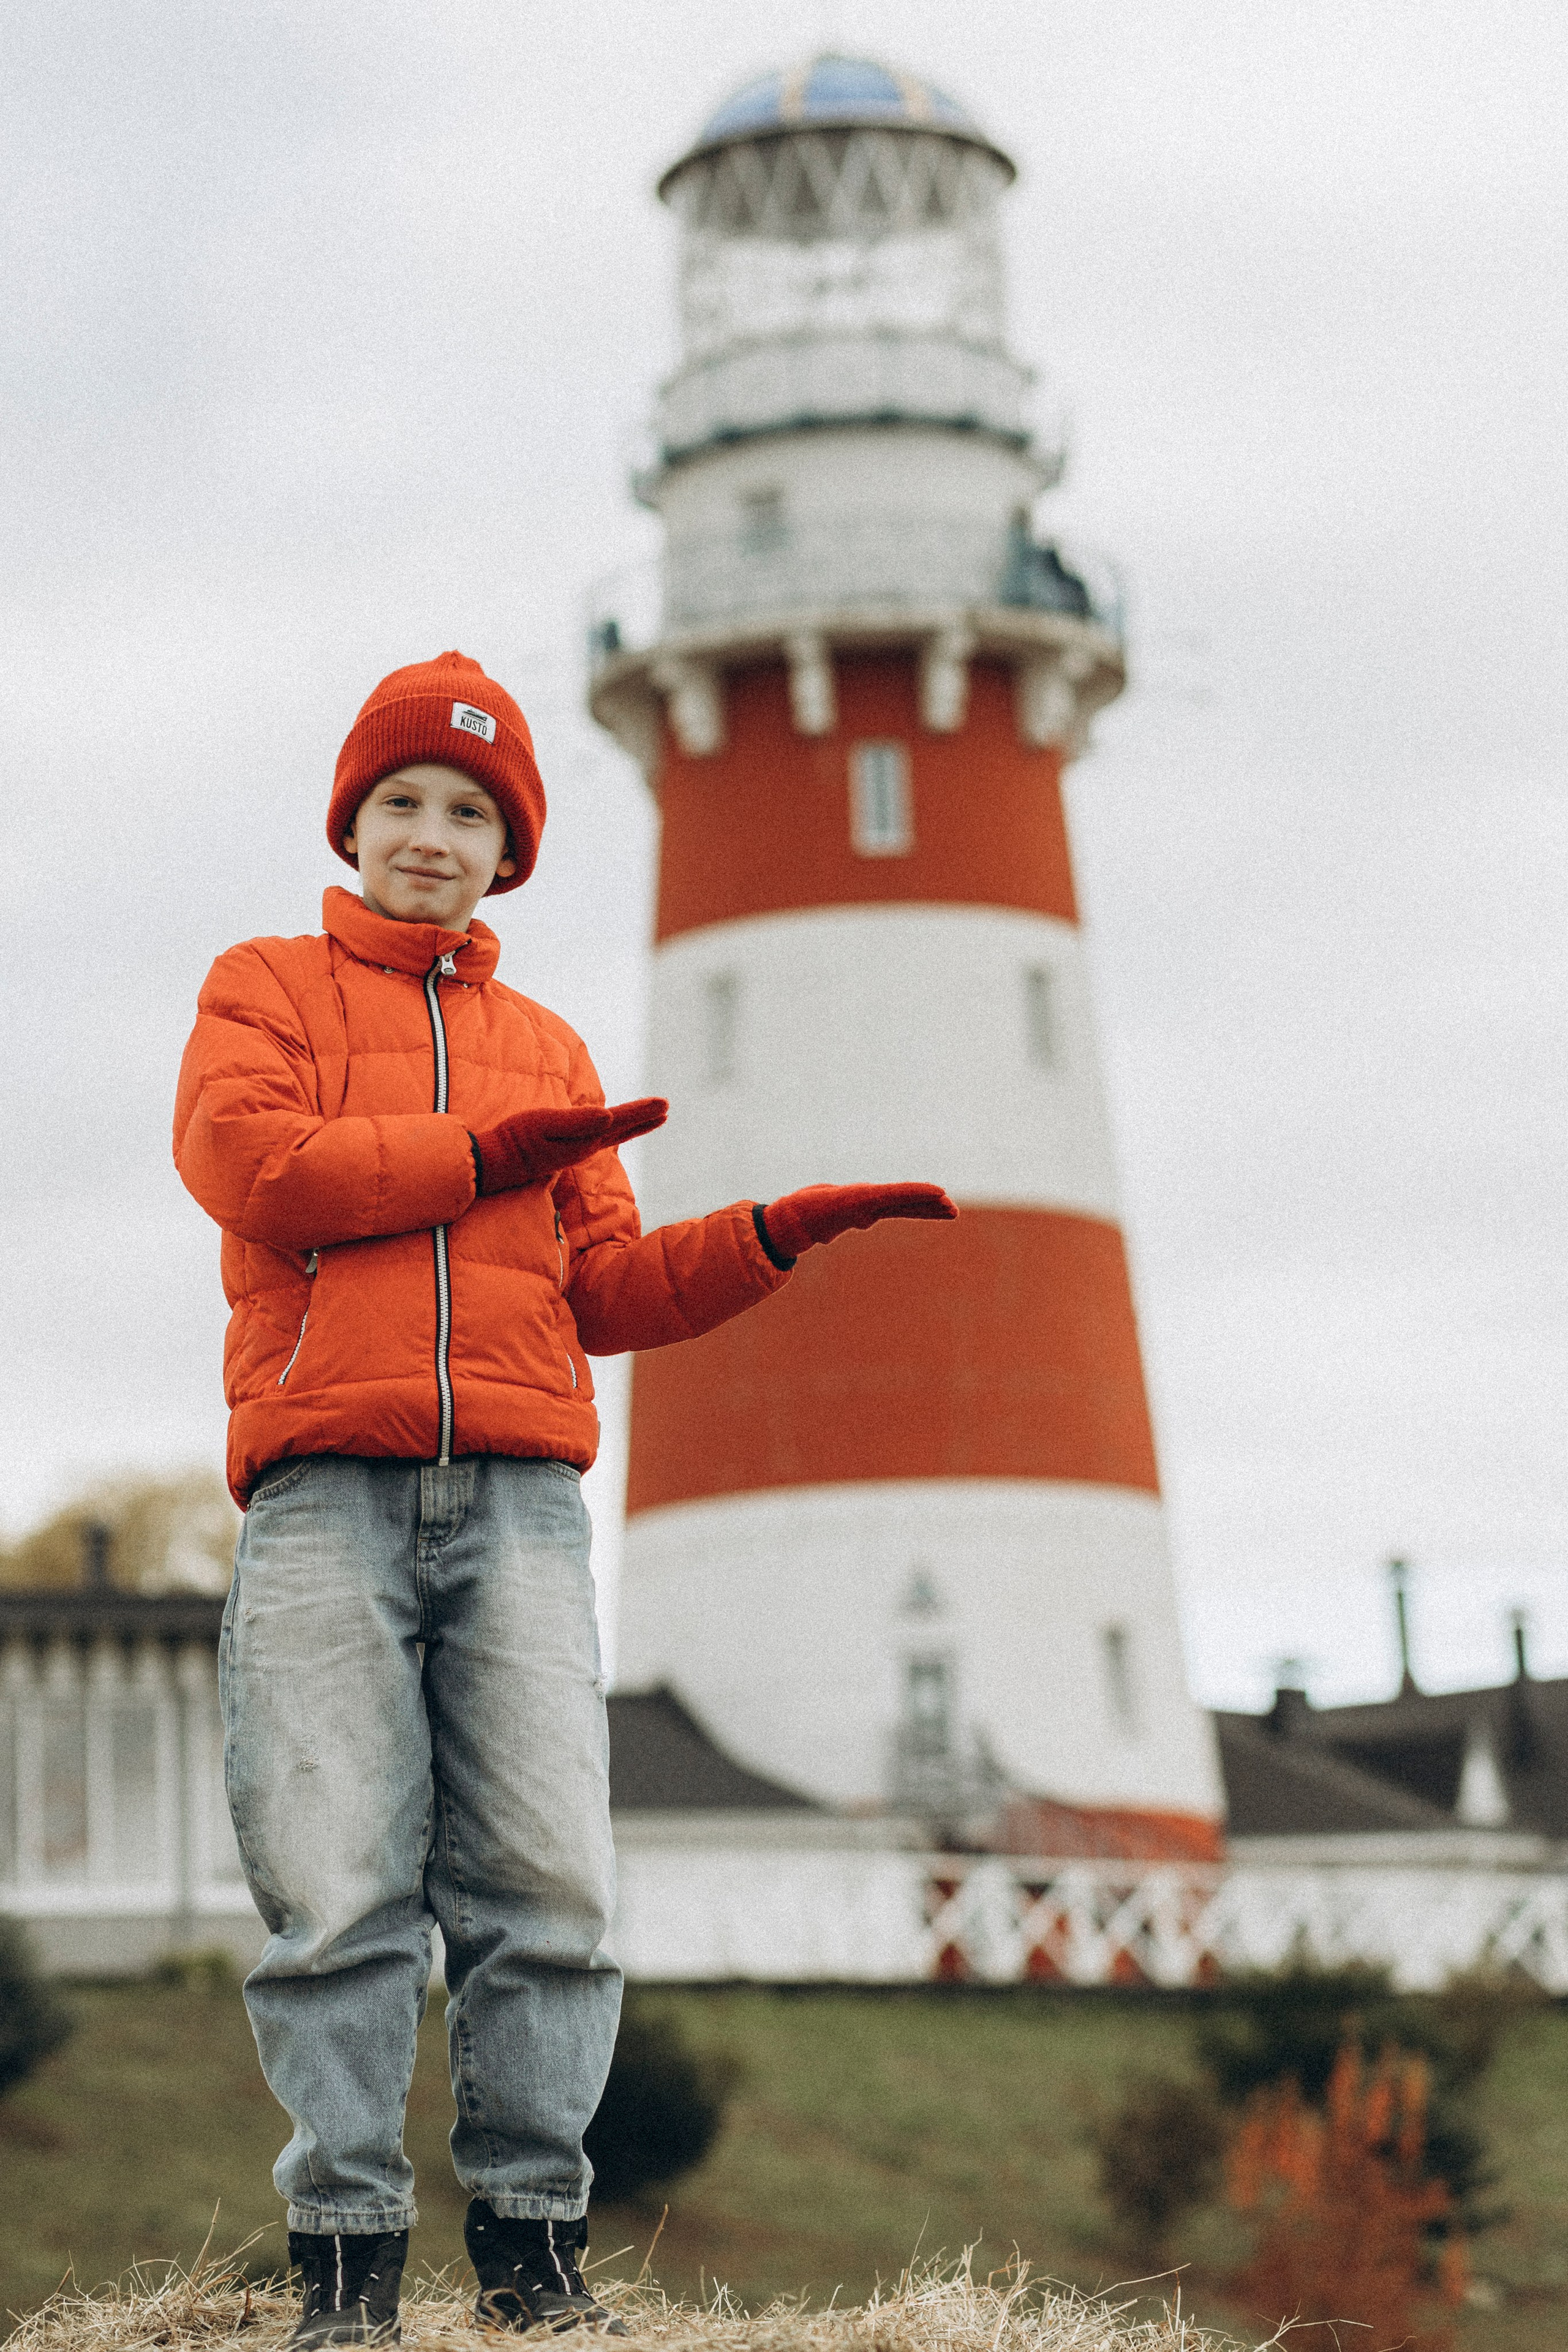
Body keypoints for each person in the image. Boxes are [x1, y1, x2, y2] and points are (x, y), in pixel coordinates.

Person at [173, 650, 956, 2345]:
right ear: (354, 822)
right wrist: (481, 1161)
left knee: (550, 1891)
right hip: (325, 1493)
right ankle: (347, 2273)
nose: (433, 835)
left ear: (509, 849)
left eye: (472, 812)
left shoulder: (549, 1044)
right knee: (335, 1893)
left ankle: (533, 2261)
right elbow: (258, 1173)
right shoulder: (264, 989)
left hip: (523, 1502)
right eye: (404, 803)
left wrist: (769, 1235)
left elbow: (603, 1289)